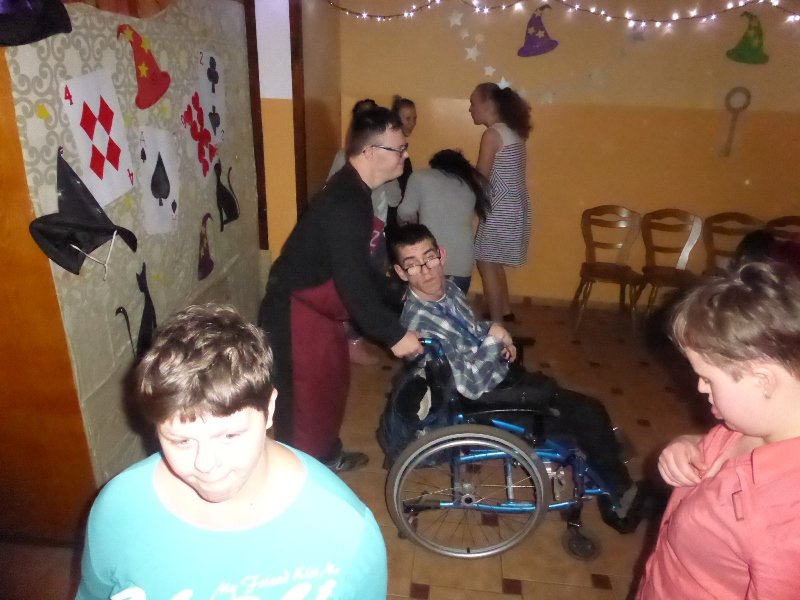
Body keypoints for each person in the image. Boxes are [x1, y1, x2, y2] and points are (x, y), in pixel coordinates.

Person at [77, 304, 387, 599]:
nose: (205, 464)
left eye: (229, 435)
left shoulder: (345, 533)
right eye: (181, 441)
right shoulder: (118, 511)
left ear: (269, 408)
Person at [390, 224, 644, 532]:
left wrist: (497, 335)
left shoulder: (449, 290)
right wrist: (493, 341)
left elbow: (470, 329)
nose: (426, 270)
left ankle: (604, 459)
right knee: (588, 412)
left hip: (501, 375)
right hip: (485, 398)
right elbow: (469, 386)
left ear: (441, 255)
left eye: (429, 257)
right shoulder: (419, 323)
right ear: (401, 272)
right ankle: (620, 499)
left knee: (576, 407)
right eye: (413, 264)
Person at [259, 107, 422, 473]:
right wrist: (394, 334)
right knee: (302, 403)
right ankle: (300, 476)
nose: (405, 154)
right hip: (295, 314)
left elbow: (361, 270)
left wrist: (400, 296)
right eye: (398, 148)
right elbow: (353, 281)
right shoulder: (345, 202)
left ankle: (326, 455)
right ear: (371, 152)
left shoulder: (356, 192)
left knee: (328, 390)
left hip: (320, 313)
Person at [638, 261, 800, 599]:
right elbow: (728, 460)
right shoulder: (751, 424)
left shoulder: (786, 524)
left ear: (762, 380)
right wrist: (689, 444)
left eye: (708, 378)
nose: (700, 388)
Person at [327, 98, 396, 367]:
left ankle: (358, 335)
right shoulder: (345, 157)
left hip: (377, 225)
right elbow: (332, 189)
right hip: (361, 228)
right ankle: (351, 340)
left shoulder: (384, 154)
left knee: (372, 279)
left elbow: (393, 196)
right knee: (357, 282)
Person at [469, 82, 532, 324]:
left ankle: (496, 324)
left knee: (486, 262)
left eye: (473, 103)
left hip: (500, 208)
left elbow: (481, 176)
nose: (470, 108)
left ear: (488, 104)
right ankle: (504, 310)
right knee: (492, 261)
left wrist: (459, 176)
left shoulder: (493, 135)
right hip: (512, 206)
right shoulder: (511, 131)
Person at [398, 148, 491, 294]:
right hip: (462, 260)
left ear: (434, 164)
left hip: (428, 259)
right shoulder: (470, 184)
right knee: (454, 305)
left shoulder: (420, 177)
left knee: (425, 305)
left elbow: (405, 213)